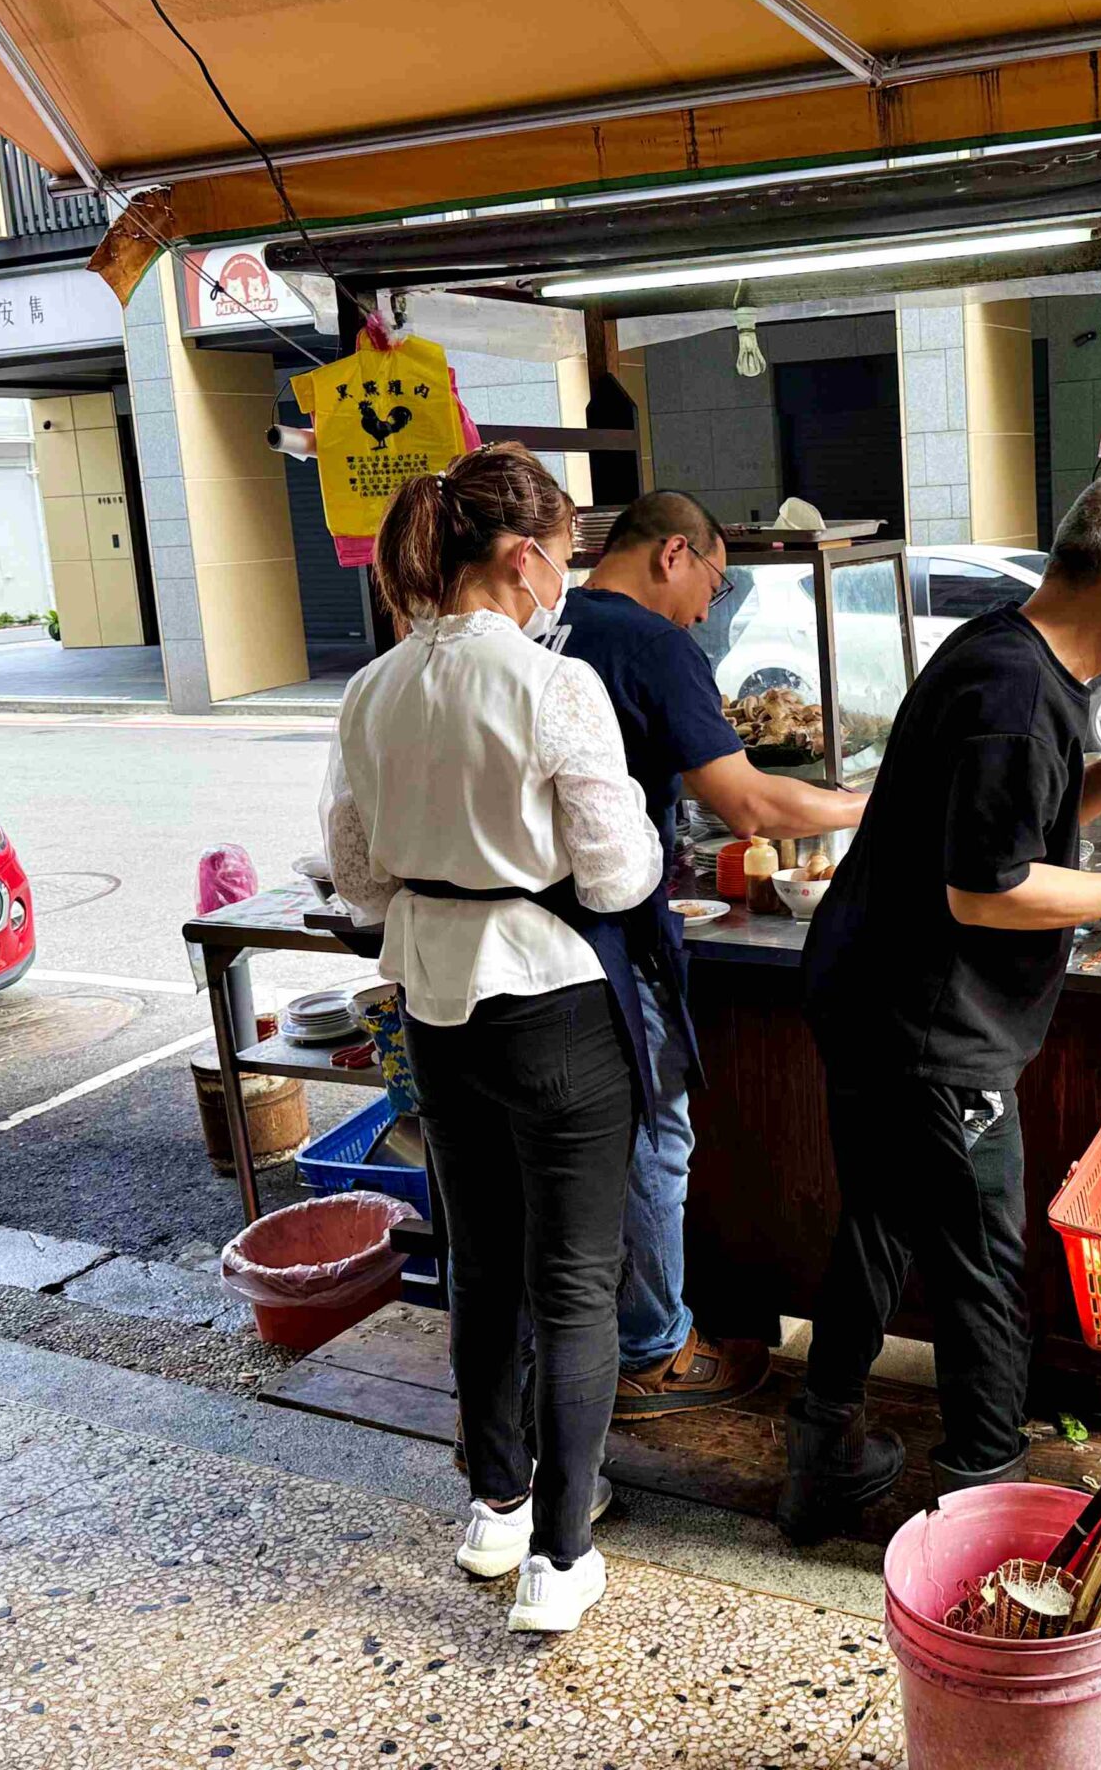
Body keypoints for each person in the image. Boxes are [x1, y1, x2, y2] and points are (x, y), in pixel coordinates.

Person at [779, 471, 1101, 1541]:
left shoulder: (1002, 652)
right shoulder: (1013, 695)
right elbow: (988, 886)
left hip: (868, 995)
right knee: (979, 1257)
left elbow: (1008, 815)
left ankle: (821, 1451)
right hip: (929, 1027)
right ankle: (981, 1498)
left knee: (877, 1221)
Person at [320, 443, 664, 1635]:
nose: (563, 575)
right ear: (523, 557)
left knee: (480, 1260)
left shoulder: (373, 687)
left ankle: (495, 1510)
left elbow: (359, 879)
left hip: (437, 1004)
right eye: (563, 554)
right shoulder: (551, 685)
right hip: (556, 1002)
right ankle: (560, 1563)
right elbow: (617, 877)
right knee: (573, 1284)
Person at [557, 491, 867, 1418]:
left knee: (578, 1154)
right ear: (673, 555)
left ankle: (594, 1345)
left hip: (536, 939)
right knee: (658, 1132)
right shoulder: (655, 645)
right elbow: (751, 806)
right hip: (613, 937)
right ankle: (656, 1350)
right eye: (714, 584)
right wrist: (865, 805)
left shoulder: (542, 624)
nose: (709, 609)